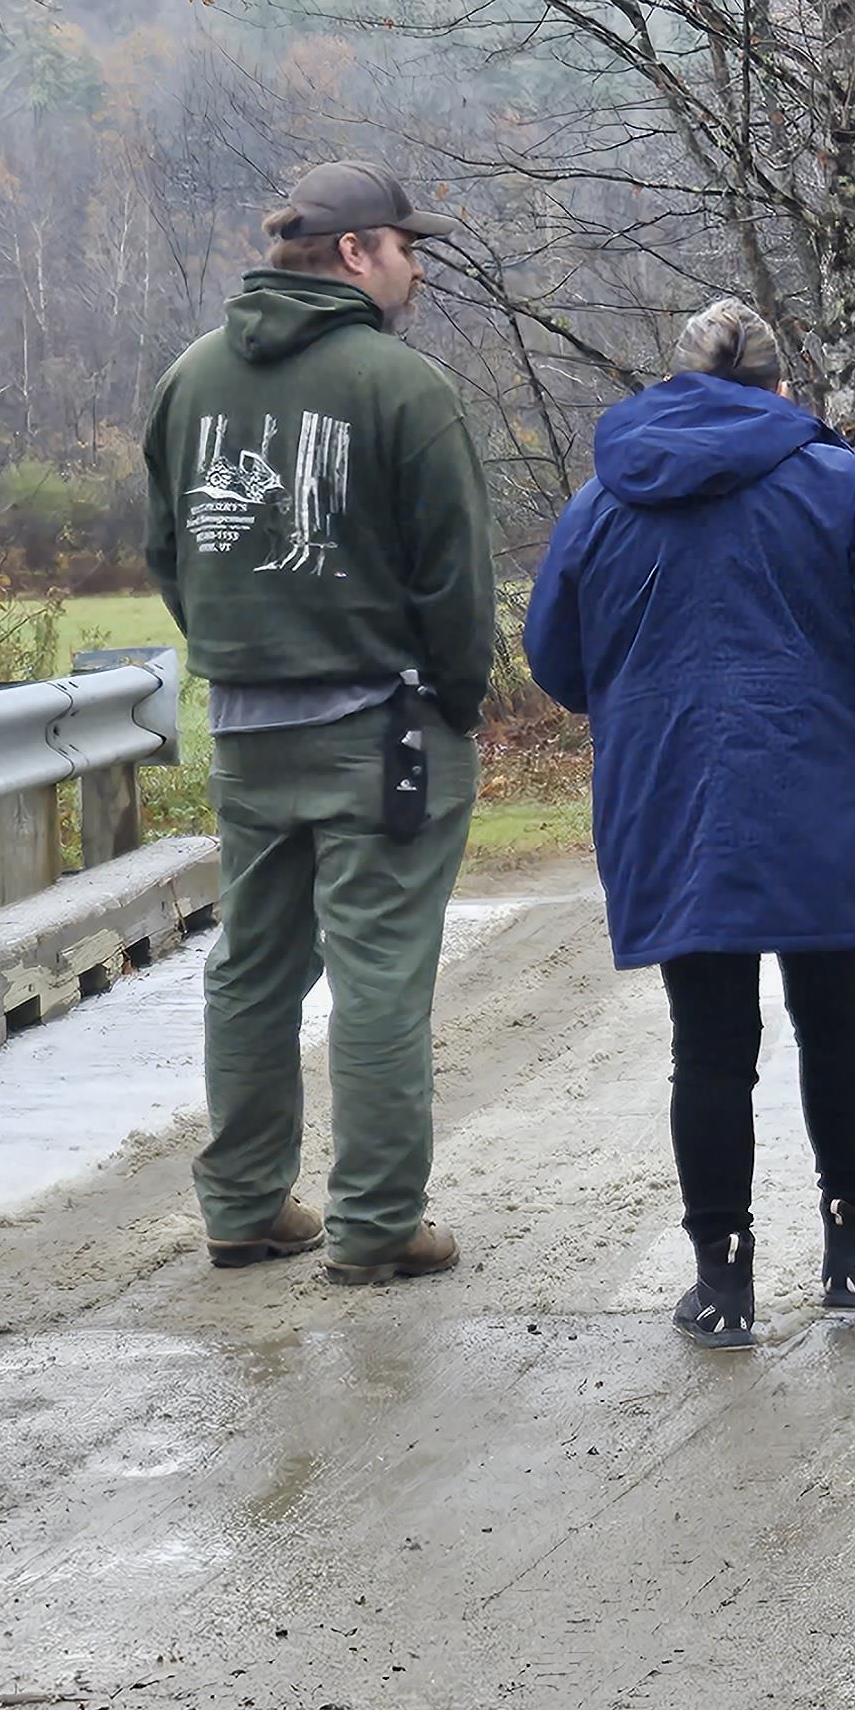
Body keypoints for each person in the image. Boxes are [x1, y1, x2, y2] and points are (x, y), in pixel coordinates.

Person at [523, 298, 855, 1349]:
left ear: (676, 381)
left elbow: (554, 655)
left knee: (708, 1046)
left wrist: (639, 711)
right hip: (822, 782)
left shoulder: (603, 498)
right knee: (838, 1018)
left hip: (672, 790)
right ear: (779, 389)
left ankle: (722, 1282)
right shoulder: (835, 480)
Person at [141, 159, 499, 1284]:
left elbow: (168, 553)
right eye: (406, 245)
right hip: (382, 725)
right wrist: (456, 700)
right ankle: (379, 1223)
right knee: (381, 973)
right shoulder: (404, 387)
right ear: (355, 255)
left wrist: (241, 657)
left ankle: (245, 1205)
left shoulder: (187, 380)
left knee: (253, 967)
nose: (419, 266)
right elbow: (456, 583)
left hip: (247, 728)